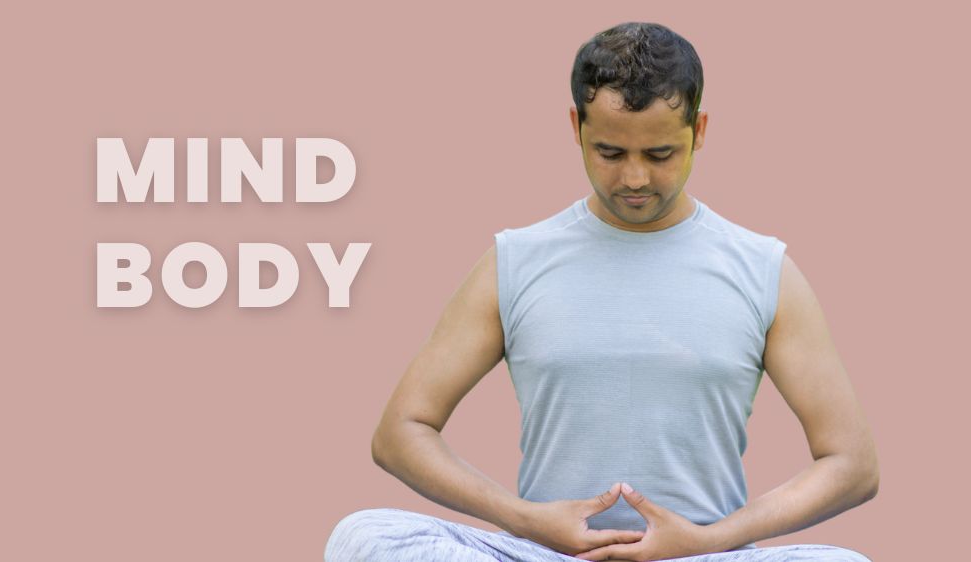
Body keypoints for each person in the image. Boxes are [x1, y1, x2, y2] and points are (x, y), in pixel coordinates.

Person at [325, 22, 878, 562]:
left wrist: (713, 538)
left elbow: (851, 464)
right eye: (610, 153)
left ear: (700, 130)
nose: (635, 179)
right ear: (576, 128)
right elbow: (400, 432)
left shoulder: (764, 269)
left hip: (701, 556)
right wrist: (524, 519)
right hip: (545, 554)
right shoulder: (515, 261)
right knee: (362, 536)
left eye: (661, 155)